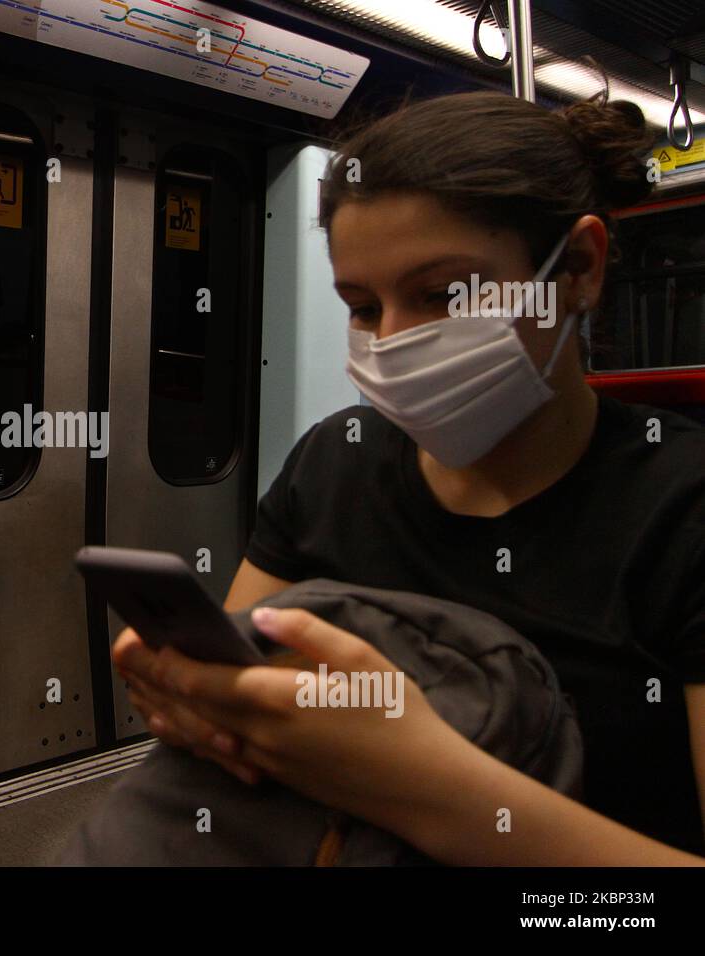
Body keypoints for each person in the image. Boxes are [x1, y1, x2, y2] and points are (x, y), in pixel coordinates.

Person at [116, 89, 705, 865]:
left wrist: (424, 784)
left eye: (444, 295)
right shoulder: (335, 462)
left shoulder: (681, 508)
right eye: (362, 307)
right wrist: (200, 706)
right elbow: (251, 697)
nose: (393, 344)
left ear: (581, 270)